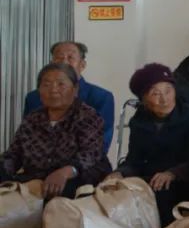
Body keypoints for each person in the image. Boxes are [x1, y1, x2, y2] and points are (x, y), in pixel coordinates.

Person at [106, 64, 189, 225]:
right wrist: (119, 173)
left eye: (168, 91)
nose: (164, 99)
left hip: (184, 178)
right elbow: (134, 160)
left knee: (162, 193)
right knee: (116, 190)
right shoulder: (139, 122)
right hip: (151, 179)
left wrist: (172, 173)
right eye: (155, 93)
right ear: (143, 99)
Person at [2, 63, 111, 198]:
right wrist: (3, 168)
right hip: (35, 180)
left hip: (77, 181)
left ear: (75, 89)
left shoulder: (88, 116)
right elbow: (14, 155)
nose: (53, 90)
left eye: (61, 84)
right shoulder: (32, 119)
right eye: (46, 85)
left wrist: (66, 171)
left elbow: (89, 154)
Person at [23, 41, 115, 153]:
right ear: (51, 64)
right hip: (38, 160)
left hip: (83, 162)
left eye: (70, 57)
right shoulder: (33, 97)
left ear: (82, 65)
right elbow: (25, 139)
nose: (64, 62)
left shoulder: (101, 98)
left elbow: (101, 144)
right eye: (59, 57)